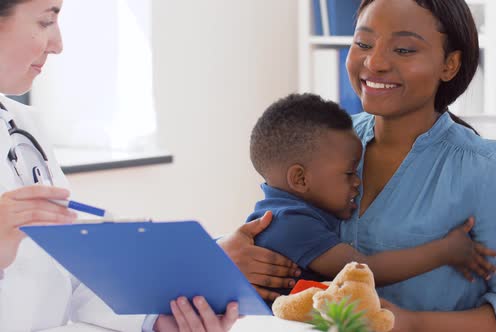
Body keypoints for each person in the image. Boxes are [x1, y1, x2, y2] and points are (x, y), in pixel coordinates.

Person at [0, 1, 299, 331]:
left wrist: (157, 318)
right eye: (45, 22)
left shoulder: (23, 125)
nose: (58, 44)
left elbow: (68, 276)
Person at [333, 0, 496, 331]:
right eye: (363, 43)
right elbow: (277, 229)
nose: (375, 61)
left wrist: (413, 324)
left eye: (404, 49)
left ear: (450, 65)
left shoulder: (489, 173)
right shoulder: (323, 142)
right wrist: (240, 251)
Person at [247, 92, 496, 300]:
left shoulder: (290, 211)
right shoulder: (289, 223)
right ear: (300, 179)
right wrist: (444, 252)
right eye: (348, 173)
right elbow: (365, 270)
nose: (358, 181)